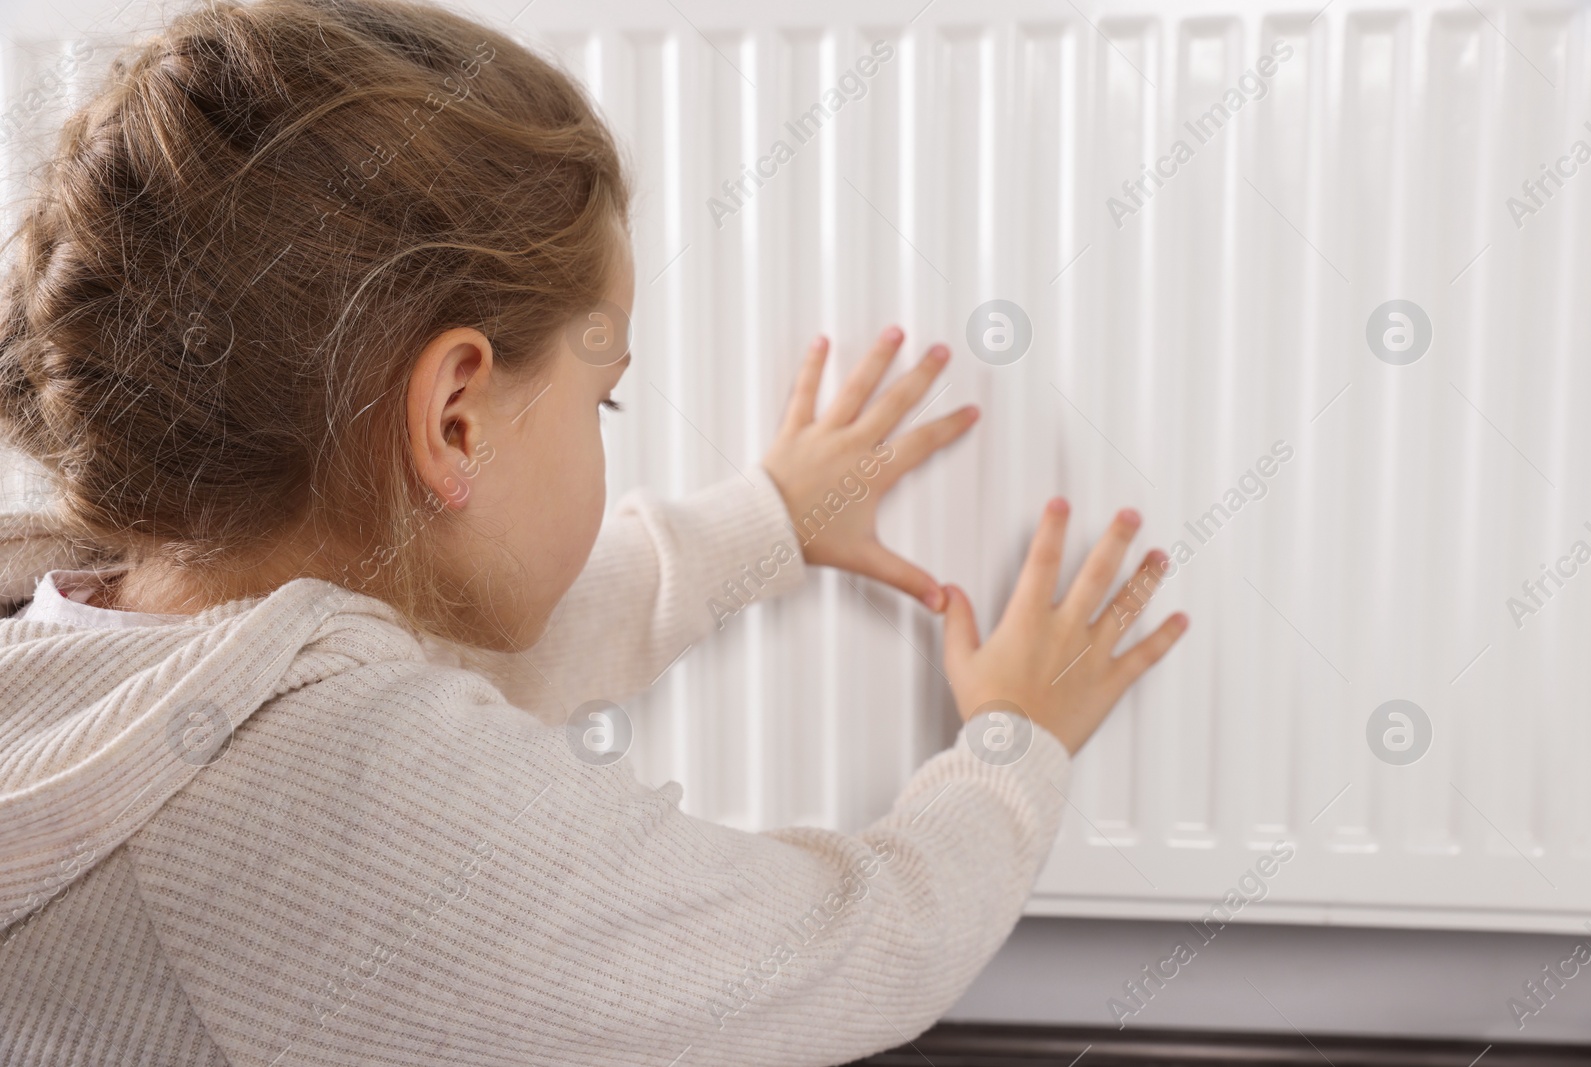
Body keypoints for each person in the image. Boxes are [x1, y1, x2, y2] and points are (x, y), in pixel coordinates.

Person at [0, 1, 1186, 1062]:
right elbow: (842, 949)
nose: (605, 422)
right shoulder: (338, 809)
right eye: (600, 394)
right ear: (454, 417)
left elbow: (442, 656)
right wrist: (1012, 743)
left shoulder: (100, 650)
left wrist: (764, 522)